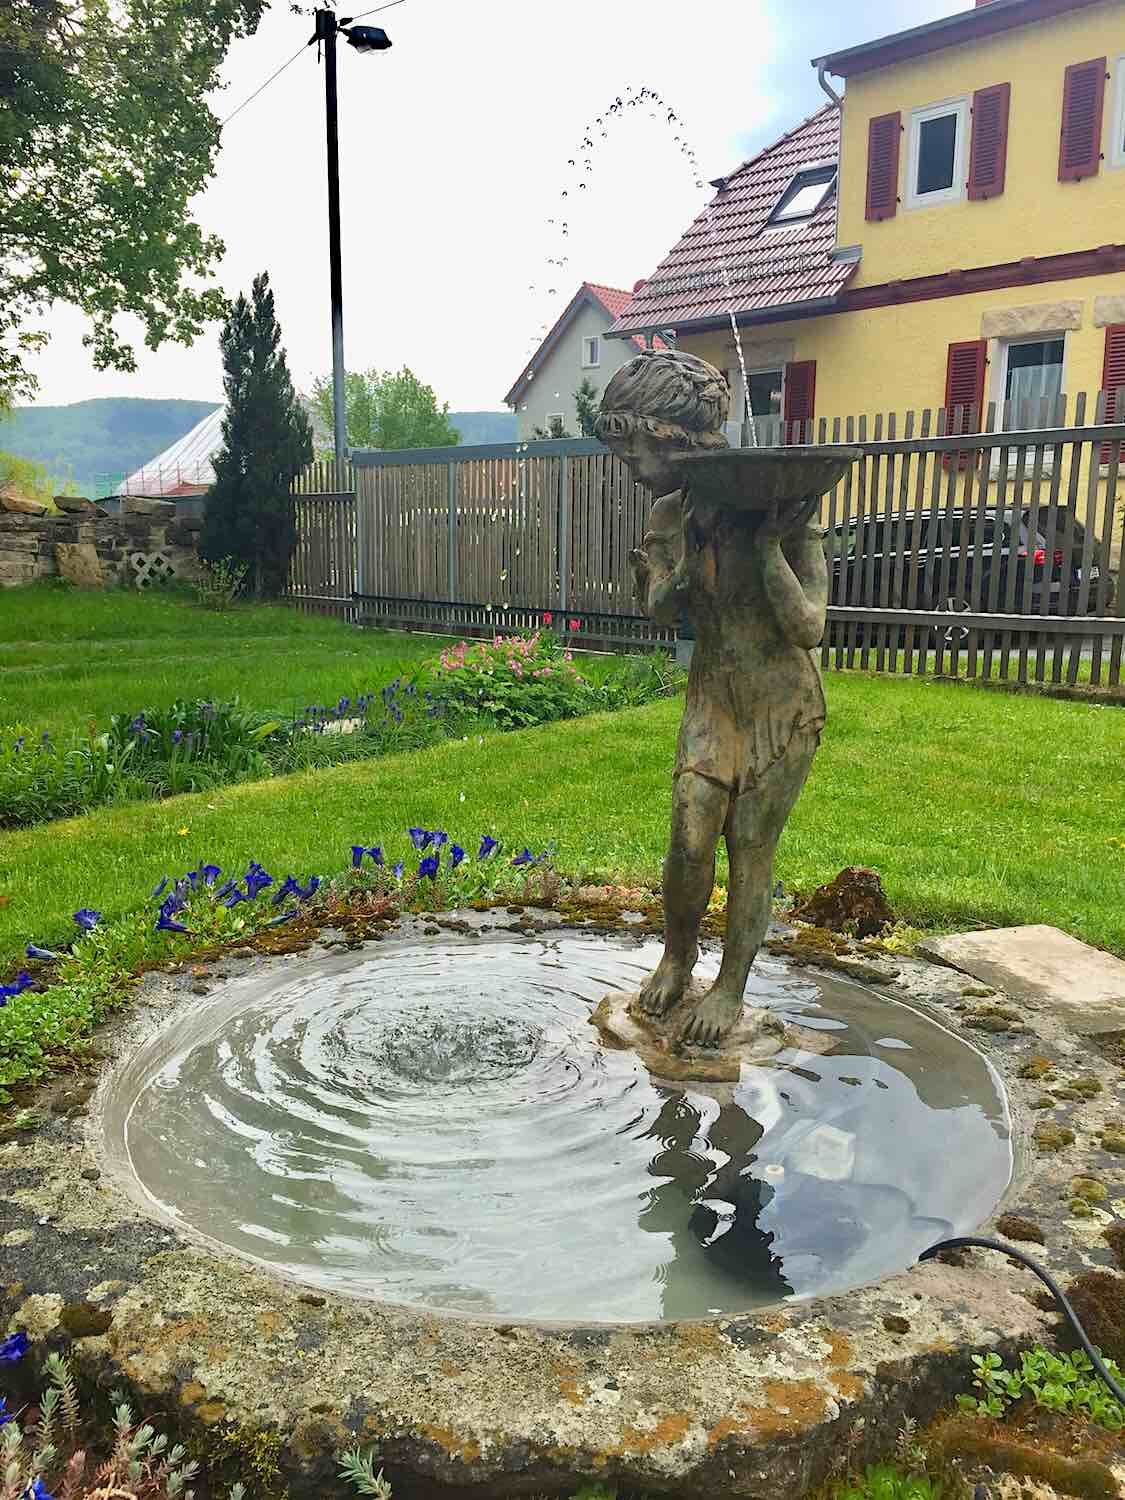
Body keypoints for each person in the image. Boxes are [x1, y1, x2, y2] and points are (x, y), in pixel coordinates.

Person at [595, 350, 827, 1047]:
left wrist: (765, 548)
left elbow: (809, 626)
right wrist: (681, 569)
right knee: (689, 834)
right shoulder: (669, 513)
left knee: (749, 845)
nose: (631, 465)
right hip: (712, 696)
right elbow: (662, 613)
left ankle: (730, 988)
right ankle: (677, 955)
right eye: (621, 450)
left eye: (637, 448)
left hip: (781, 704)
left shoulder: (784, 511)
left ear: (678, 440)